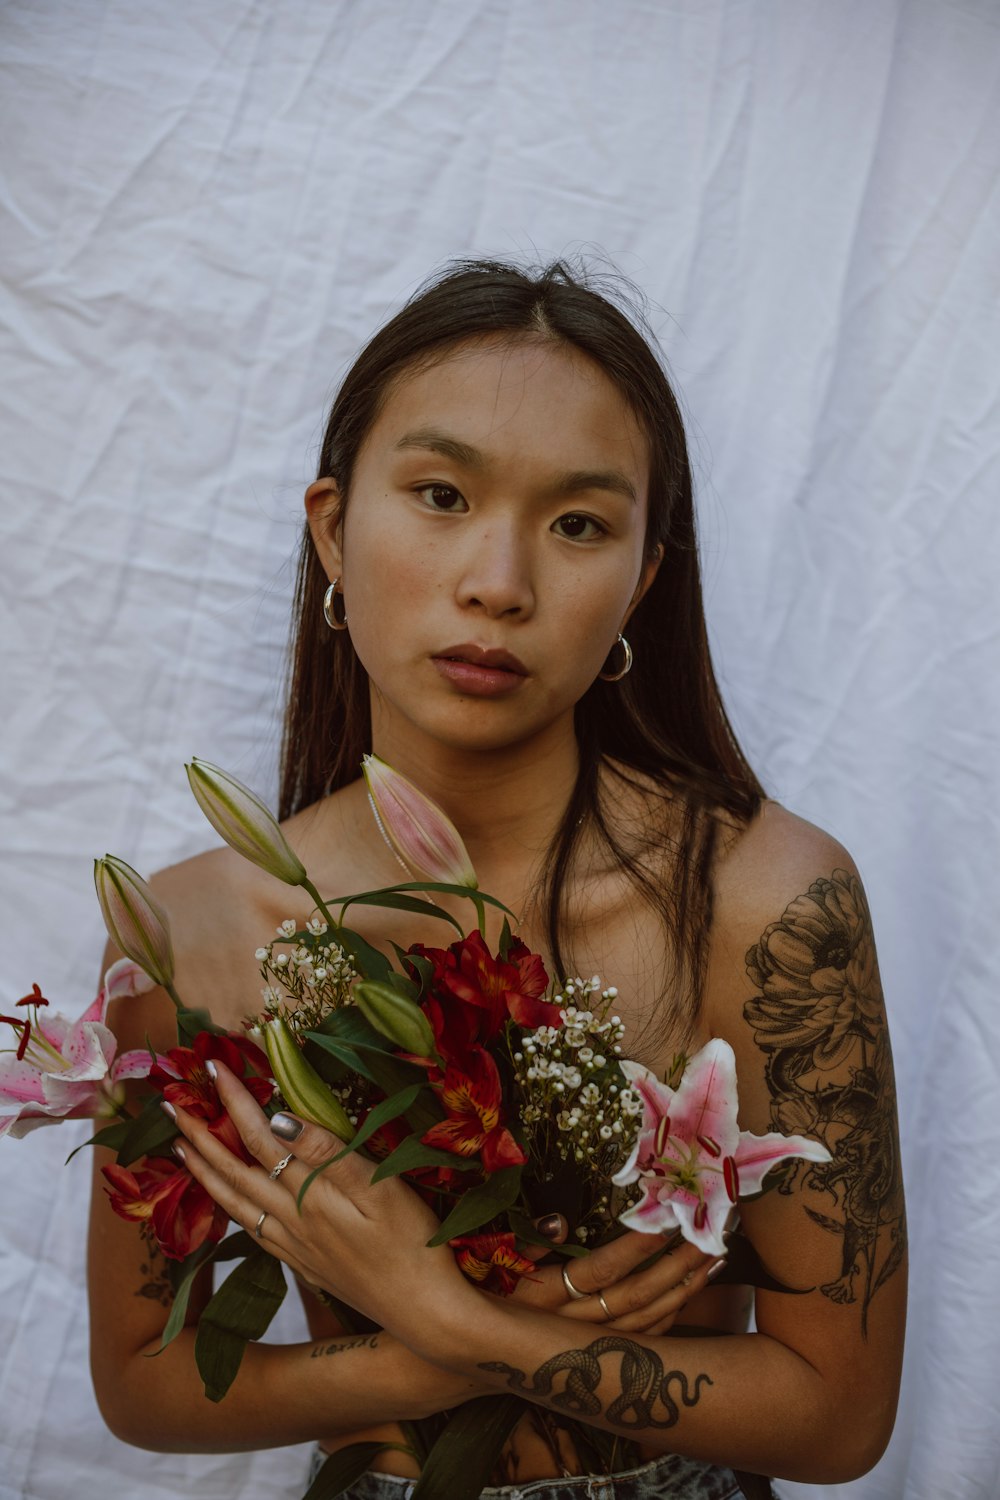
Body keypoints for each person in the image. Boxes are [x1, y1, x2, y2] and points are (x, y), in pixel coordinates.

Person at [88, 260, 907, 1499]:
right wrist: (427, 1364)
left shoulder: (769, 904)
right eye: (438, 494)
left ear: (640, 578)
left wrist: (461, 1322)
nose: (499, 583)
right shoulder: (195, 931)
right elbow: (144, 1382)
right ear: (330, 529)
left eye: (577, 524)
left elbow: (840, 1417)